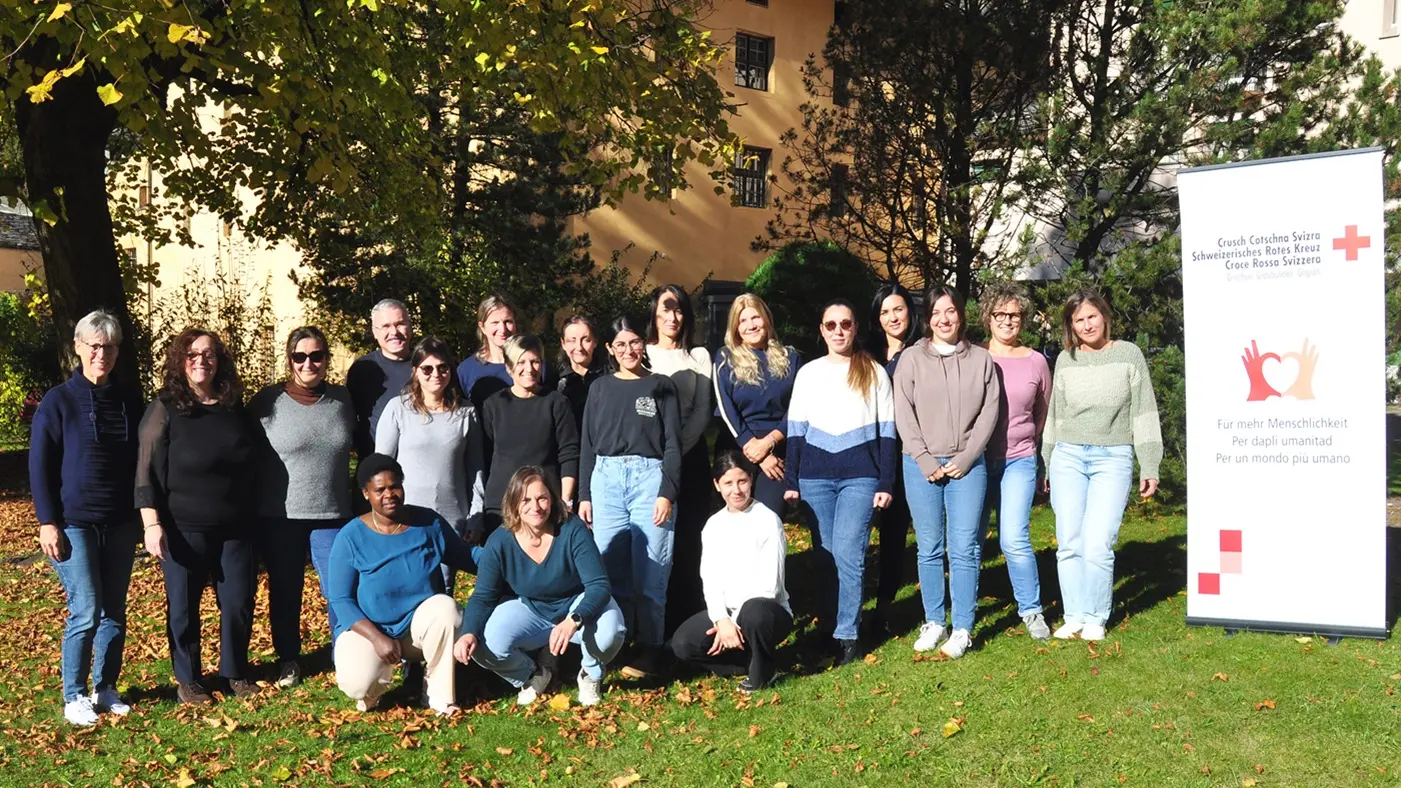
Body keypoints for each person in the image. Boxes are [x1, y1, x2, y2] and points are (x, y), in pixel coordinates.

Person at [30, 310, 144, 725]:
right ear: (77, 347)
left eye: (109, 346)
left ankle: (106, 686)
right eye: (94, 345)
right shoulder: (57, 401)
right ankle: (74, 694)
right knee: (87, 608)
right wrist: (47, 521)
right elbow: (40, 466)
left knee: (114, 609)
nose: (101, 353)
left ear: (117, 351)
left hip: (119, 522)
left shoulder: (130, 400)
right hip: (73, 523)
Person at [136, 329, 258, 705]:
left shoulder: (234, 406)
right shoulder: (166, 407)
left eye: (208, 354)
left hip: (236, 527)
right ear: (180, 360)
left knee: (238, 601)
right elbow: (146, 471)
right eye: (192, 354)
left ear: (219, 360)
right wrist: (152, 524)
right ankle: (188, 680)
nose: (201, 360)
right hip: (183, 527)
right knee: (184, 608)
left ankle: (235, 671)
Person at [1043, 290, 1161, 642]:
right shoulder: (1067, 359)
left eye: (1091, 316)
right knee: (1068, 541)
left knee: (1097, 542)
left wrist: (1150, 464)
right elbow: (1055, 415)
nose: (1086, 324)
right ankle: (1074, 614)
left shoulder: (1129, 355)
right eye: (1078, 320)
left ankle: (1095, 616)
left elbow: (1144, 411)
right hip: (1068, 456)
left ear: (1105, 316)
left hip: (1113, 457)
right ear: (1071, 326)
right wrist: (1047, 461)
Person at [782, 301, 896, 665]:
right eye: (830, 324)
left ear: (855, 326)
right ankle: (829, 630)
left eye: (845, 323)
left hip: (860, 476)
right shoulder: (809, 373)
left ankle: (848, 636)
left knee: (849, 553)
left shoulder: (874, 372)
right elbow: (796, 430)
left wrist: (886, 482)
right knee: (825, 556)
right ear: (822, 329)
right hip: (815, 478)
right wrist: (792, 479)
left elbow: (888, 434)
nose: (838, 330)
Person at [455, 467, 625, 707]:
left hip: (576, 604)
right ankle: (531, 675)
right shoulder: (500, 541)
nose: (535, 507)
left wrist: (573, 620)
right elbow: (483, 596)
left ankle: (590, 673)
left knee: (612, 631)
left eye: (542, 498)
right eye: (526, 500)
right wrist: (468, 633)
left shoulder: (571, 529)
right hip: (531, 607)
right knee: (483, 646)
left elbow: (598, 585)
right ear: (513, 503)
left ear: (552, 500)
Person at [894, 286, 1001, 660]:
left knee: (965, 549)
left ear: (961, 315)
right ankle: (934, 620)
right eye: (937, 312)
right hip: (920, 465)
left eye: (951, 311)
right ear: (928, 318)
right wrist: (924, 459)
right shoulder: (910, 359)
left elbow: (990, 412)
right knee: (929, 547)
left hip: (967, 467)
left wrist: (969, 456)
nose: (944, 319)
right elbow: (903, 413)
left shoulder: (982, 360)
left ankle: (963, 627)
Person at [247, 326, 356, 688]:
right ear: (289, 359)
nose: (309, 363)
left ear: (326, 359)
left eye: (316, 355)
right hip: (282, 517)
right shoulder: (266, 403)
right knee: (286, 589)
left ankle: (346, 653)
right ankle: (289, 659)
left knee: (339, 588)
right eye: (300, 356)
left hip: (334, 515)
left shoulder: (343, 400)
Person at [328, 454, 475, 715]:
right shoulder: (350, 536)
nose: (389, 494)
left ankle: (438, 695)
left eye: (395, 486)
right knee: (358, 685)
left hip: (418, 629)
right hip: (371, 630)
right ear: (366, 493)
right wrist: (376, 638)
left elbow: (466, 556)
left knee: (446, 609)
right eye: (380, 489)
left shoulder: (427, 523)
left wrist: (507, 557)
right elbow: (340, 599)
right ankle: (372, 691)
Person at [577, 315, 683, 679]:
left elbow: (673, 444)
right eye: (620, 344)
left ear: (645, 344)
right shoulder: (600, 388)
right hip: (605, 481)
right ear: (609, 349)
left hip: (649, 480)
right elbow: (587, 445)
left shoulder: (661, 386)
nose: (628, 350)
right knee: (611, 571)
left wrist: (667, 492)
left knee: (652, 571)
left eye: (635, 342)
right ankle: (615, 645)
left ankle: (651, 648)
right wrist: (585, 494)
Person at [671, 452, 791, 693]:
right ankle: (750, 662)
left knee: (754, 613)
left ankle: (763, 671)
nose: (736, 490)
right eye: (728, 483)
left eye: (742, 481)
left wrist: (733, 623)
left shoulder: (768, 520)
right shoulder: (713, 525)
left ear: (751, 480)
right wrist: (720, 619)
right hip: (727, 615)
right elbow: (710, 578)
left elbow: (771, 587)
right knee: (683, 643)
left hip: (765, 613)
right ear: (717, 485)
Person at [375, 337, 485, 592]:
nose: (436, 374)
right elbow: (380, 467)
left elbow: (475, 469)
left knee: (443, 593)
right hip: (405, 518)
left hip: (451, 522)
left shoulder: (466, 413)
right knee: (405, 589)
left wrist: (476, 515)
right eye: (427, 368)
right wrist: (382, 515)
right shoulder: (398, 409)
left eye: (443, 367)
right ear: (415, 372)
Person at [979, 283, 1053, 641]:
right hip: (974, 461)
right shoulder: (974, 356)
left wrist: (1032, 447)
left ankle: (1032, 609)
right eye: (1001, 314)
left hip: (1019, 459)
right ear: (988, 317)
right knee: (970, 538)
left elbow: (1044, 413)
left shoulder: (1037, 361)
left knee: (1013, 538)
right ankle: (965, 609)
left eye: (1015, 315)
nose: (1008, 321)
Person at [643, 285, 714, 634]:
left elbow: (703, 410)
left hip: (691, 457)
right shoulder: (641, 354)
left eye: (679, 310)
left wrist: (677, 450)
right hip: (650, 460)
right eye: (665, 309)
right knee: (656, 540)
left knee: (690, 539)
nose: (672, 317)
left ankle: (692, 619)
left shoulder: (698, 356)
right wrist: (662, 455)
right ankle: (657, 624)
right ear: (654, 314)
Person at [480, 334, 580, 534]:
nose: (529, 369)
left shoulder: (555, 403)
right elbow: (485, 455)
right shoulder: (493, 405)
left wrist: (565, 501)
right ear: (509, 367)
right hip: (501, 505)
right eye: (521, 362)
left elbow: (569, 453)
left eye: (535, 362)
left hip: (542, 506)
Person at [713, 293, 800, 516]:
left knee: (769, 520)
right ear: (735, 326)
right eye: (742, 320)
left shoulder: (791, 357)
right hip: (736, 446)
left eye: (755, 318)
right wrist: (757, 451)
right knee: (737, 523)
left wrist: (770, 442)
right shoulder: (724, 358)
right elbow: (726, 409)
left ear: (766, 319)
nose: (750, 325)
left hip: (778, 449)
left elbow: (799, 407)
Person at [865, 282, 918, 634]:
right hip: (868, 452)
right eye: (884, 312)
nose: (892, 317)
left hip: (907, 452)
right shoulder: (867, 353)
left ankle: (886, 606)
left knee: (898, 533)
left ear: (910, 312)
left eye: (897, 309)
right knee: (863, 531)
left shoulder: (921, 351)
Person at [347, 299, 414, 461]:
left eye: (399, 324)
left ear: (410, 326)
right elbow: (349, 420)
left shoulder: (428, 367)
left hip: (419, 471)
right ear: (375, 332)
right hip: (376, 471)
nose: (394, 332)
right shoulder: (363, 369)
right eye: (385, 326)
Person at [456, 293, 523, 413]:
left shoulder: (533, 366)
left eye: (508, 321)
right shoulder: (466, 370)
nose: (502, 329)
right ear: (482, 327)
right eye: (495, 323)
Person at [556, 315, 605, 433]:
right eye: (572, 340)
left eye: (586, 340)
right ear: (563, 343)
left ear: (595, 342)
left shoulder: (608, 379)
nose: (579, 347)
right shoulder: (555, 380)